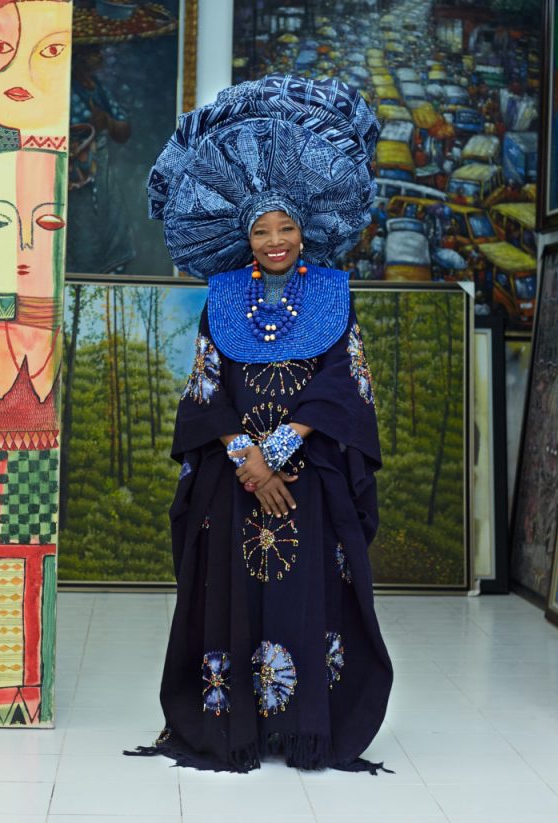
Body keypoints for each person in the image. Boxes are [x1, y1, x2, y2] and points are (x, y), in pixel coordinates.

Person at [125, 75, 393, 774]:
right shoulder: (222, 297)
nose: (275, 240)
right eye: (261, 230)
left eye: (286, 227)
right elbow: (205, 386)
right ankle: (236, 726)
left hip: (310, 478)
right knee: (234, 597)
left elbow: (343, 383)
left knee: (306, 598)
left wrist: (277, 451)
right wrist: (246, 457)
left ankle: (303, 727)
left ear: (307, 230)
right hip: (233, 479)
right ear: (244, 236)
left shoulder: (333, 293)